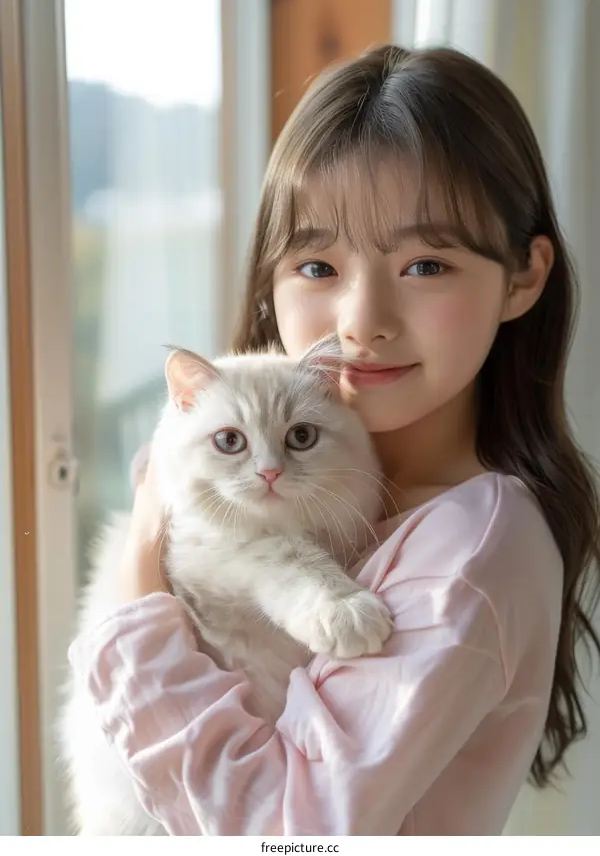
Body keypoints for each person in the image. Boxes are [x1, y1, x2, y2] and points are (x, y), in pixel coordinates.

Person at [69, 45, 600, 835]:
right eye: (317, 264)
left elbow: (288, 833)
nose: (361, 321)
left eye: (425, 264)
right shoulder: (328, 476)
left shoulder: (469, 550)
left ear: (524, 275)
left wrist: (145, 568)